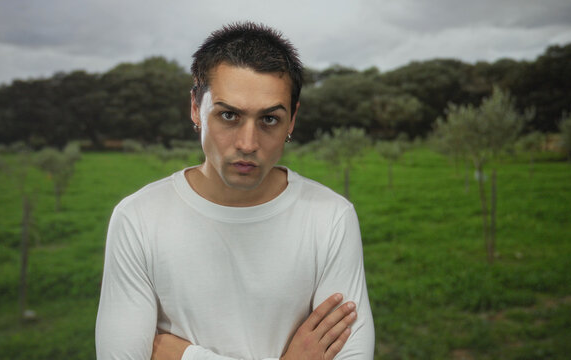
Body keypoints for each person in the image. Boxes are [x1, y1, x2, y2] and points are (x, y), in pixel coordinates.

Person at [95, 22, 375, 360]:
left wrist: (184, 356)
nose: (247, 143)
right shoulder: (138, 218)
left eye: (269, 119)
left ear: (293, 120)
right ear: (196, 108)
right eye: (229, 115)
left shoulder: (331, 217)